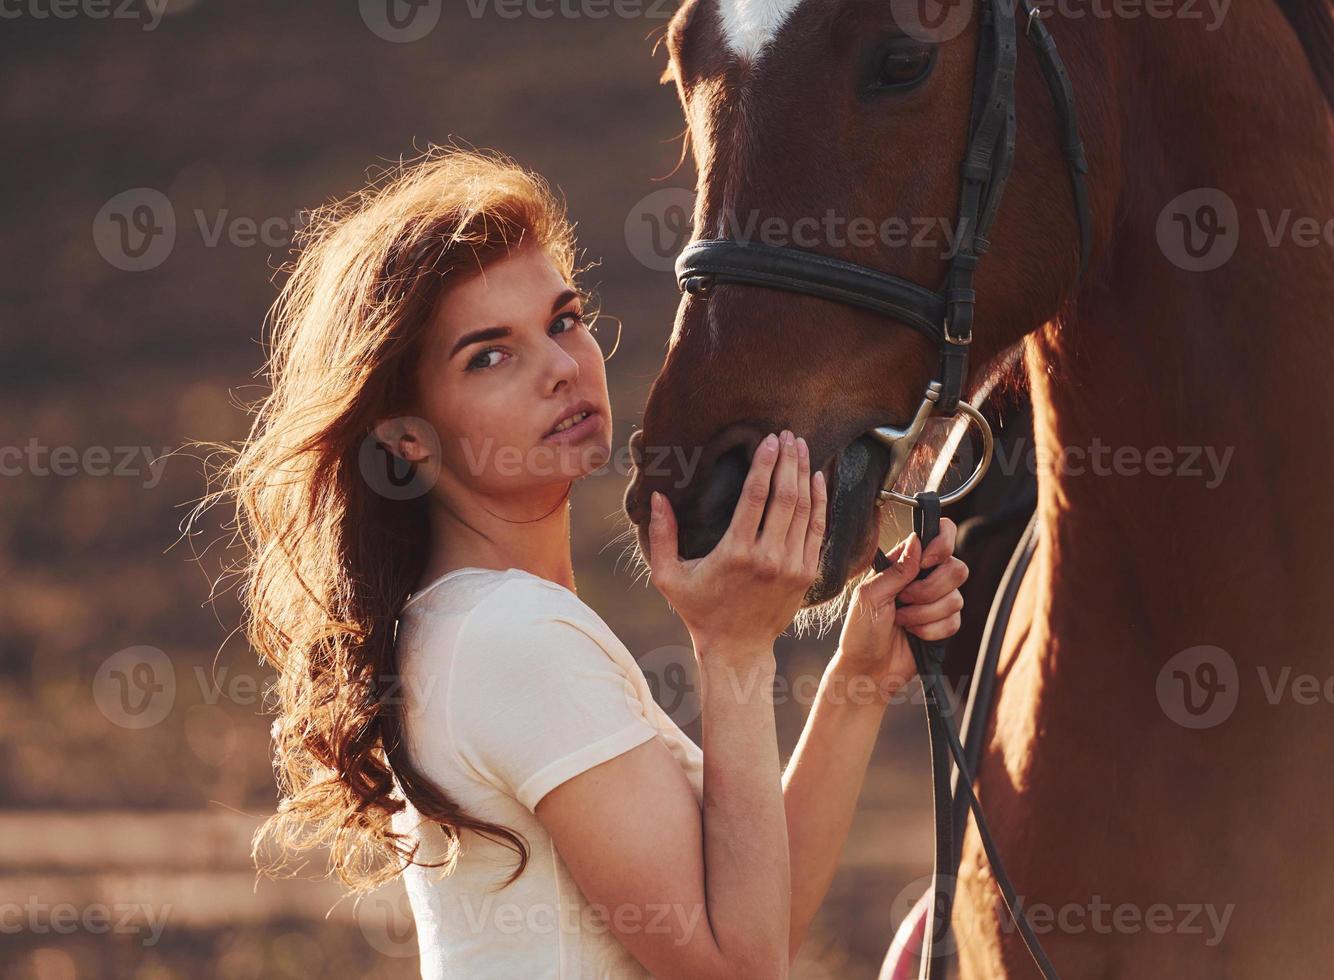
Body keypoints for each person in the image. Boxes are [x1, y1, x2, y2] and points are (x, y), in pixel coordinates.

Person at [221, 147, 968, 978]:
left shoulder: (473, 622)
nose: (561, 367)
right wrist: (735, 649)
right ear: (405, 436)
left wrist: (857, 681)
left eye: (563, 320)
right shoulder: (512, 637)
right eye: (489, 355)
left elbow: (757, 916)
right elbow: (742, 969)